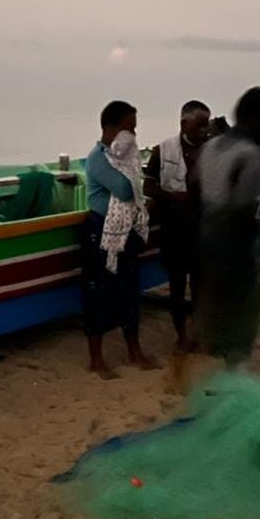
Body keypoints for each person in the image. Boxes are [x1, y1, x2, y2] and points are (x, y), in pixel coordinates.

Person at [193, 87, 260, 367]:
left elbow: (195, 190)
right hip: (234, 248)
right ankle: (231, 377)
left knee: (213, 317)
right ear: (257, 118)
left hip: (206, 245)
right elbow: (242, 212)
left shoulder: (210, 147)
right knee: (240, 323)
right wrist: (246, 258)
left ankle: (210, 375)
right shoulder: (249, 154)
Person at [82, 100, 159, 378]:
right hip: (102, 231)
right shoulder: (98, 158)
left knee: (129, 292)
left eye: (135, 131)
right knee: (99, 295)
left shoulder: (123, 159)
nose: (133, 137)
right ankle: (96, 359)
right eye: (129, 130)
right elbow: (125, 189)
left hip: (126, 231)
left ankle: (134, 351)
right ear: (111, 129)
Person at [144, 100, 211, 352]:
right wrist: (173, 196)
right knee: (176, 285)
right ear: (184, 123)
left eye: (207, 126)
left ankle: (198, 332)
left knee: (200, 285)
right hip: (174, 229)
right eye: (199, 125)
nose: (204, 131)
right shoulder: (162, 151)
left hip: (202, 229)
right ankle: (181, 336)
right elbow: (147, 186)